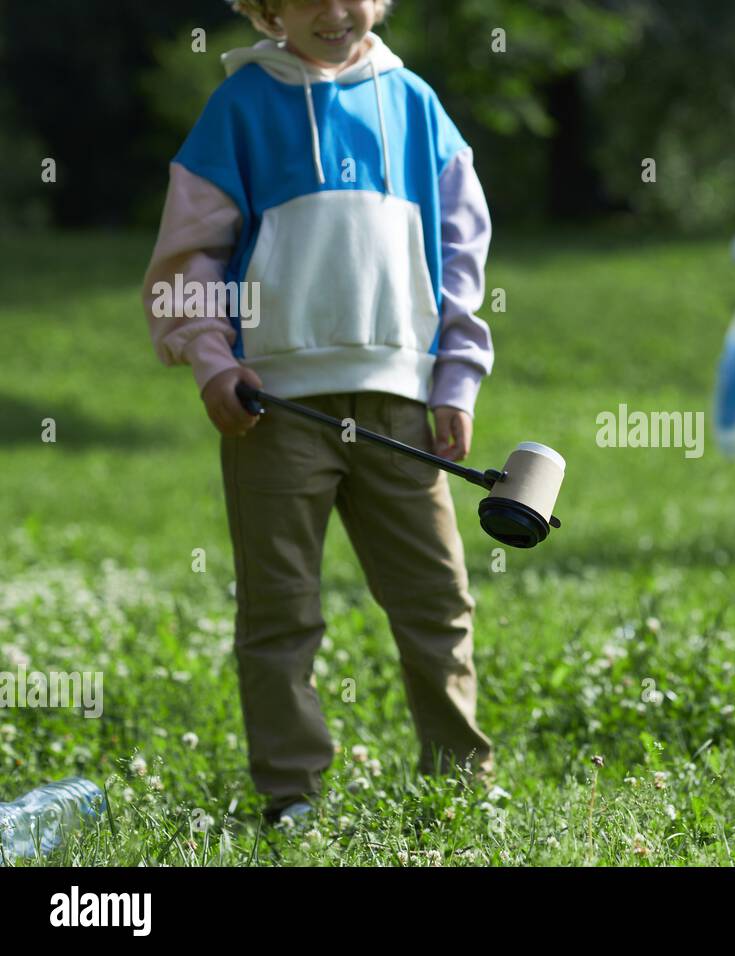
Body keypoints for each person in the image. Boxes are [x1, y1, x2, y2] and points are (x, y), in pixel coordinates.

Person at [141, 0, 496, 824]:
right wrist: (210, 359)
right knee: (280, 610)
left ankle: (460, 783)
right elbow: (191, 254)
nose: (335, 11)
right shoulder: (239, 108)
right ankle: (292, 793)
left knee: (436, 601)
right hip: (275, 410)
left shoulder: (415, 103)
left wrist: (457, 375)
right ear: (268, 9)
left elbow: (463, 249)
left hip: (402, 405)